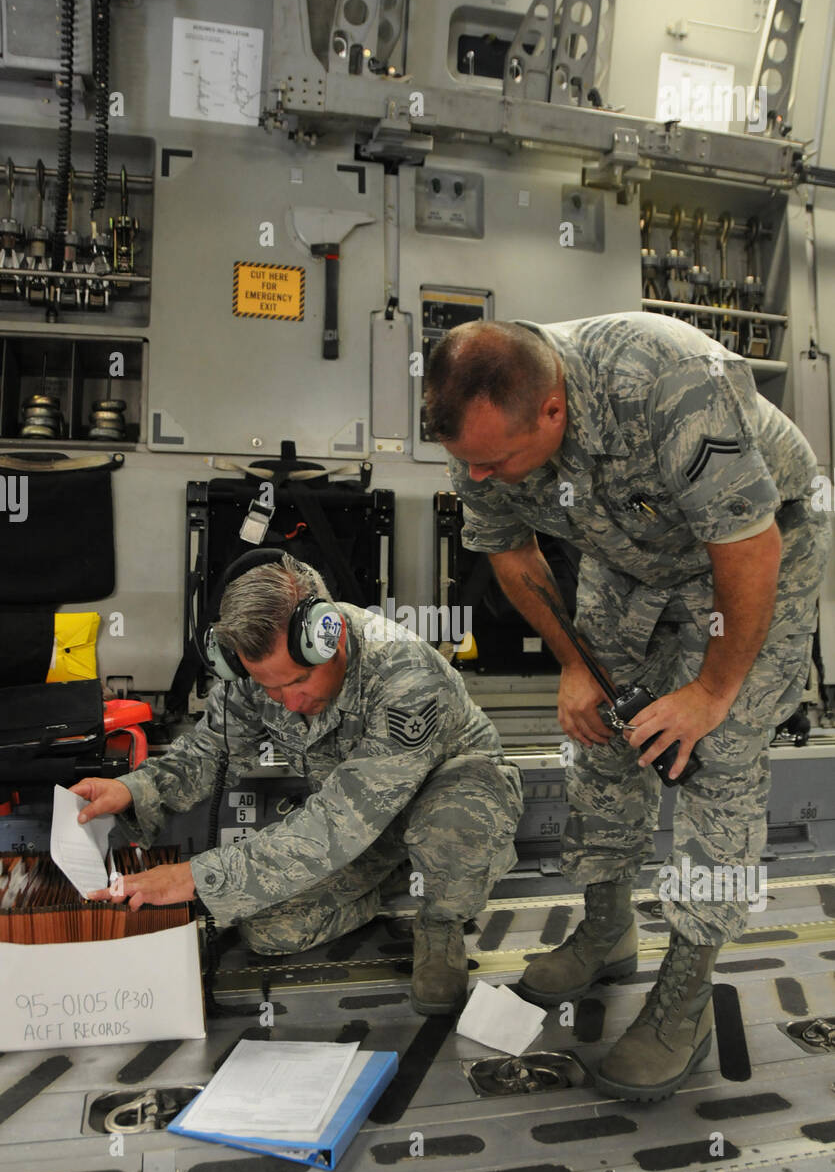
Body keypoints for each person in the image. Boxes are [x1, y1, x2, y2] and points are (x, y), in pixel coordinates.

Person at [425, 311, 831, 1099]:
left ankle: (686, 992)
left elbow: (746, 548)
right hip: (629, 552)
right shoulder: (481, 435)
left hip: (759, 543)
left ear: (551, 410)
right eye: (466, 464)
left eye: (495, 462)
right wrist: (576, 665)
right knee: (599, 729)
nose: (476, 479)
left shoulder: (671, 384)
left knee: (710, 752)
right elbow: (510, 552)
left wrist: (709, 695)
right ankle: (608, 927)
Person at [71, 553, 524, 1016]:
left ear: (332, 637)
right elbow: (211, 749)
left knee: (453, 822)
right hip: (361, 821)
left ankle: (441, 921)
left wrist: (194, 877)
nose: (289, 701)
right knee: (268, 931)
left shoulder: (407, 676)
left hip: (446, 794)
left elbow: (338, 822)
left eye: (300, 680)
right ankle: (393, 876)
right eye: (271, 688)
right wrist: (132, 789)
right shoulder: (256, 667)